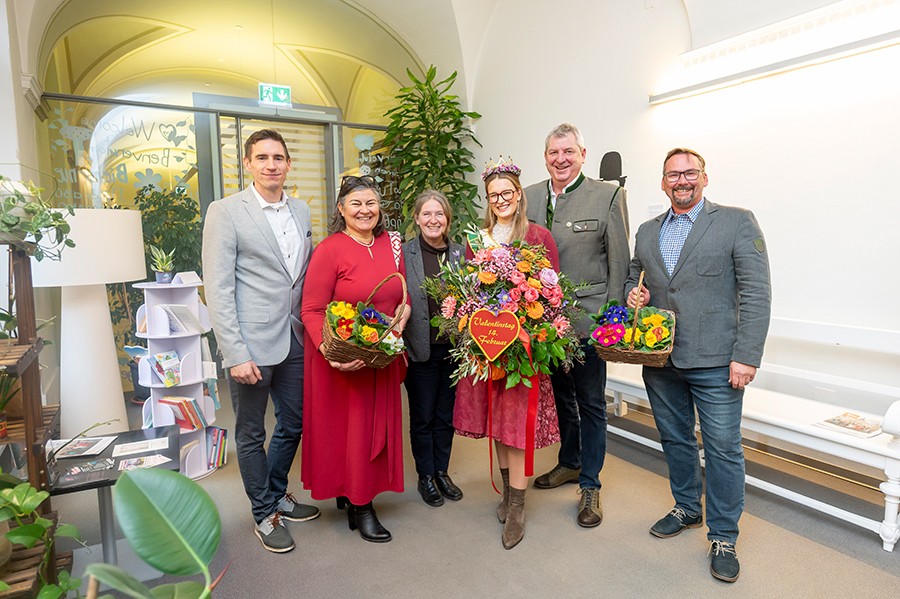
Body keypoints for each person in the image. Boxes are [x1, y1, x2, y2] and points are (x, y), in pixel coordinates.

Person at [625, 148, 771, 582]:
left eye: (690, 173)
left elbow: (756, 292)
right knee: (675, 440)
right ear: (663, 182)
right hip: (660, 357)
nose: (682, 180)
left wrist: (746, 355)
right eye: (673, 175)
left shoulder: (735, 221)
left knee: (723, 448)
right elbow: (637, 275)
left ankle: (723, 535)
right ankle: (687, 507)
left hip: (717, 361)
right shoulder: (648, 231)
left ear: (705, 178)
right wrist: (634, 292)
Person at [203, 128, 319, 553]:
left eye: (279, 157)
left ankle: (276, 495)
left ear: (288, 164)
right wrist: (234, 352)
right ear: (247, 163)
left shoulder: (302, 211)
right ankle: (263, 513)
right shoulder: (226, 211)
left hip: (294, 339)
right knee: (251, 433)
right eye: (263, 157)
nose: (272, 164)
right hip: (249, 344)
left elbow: (301, 278)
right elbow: (217, 288)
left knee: (295, 421)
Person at [523, 123, 630, 528]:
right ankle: (568, 462)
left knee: (590, 404)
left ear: (583, 154)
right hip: (543, 323)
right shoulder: (529, 196)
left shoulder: (608, 195)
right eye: (553, 153)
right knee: (560, 398)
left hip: (588, 320)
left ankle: (591, 484)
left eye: (568, 152)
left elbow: (619, 261)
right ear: (545, 156)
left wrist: (613, 322)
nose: (561, 159)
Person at [454, 159, 560, 549]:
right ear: (487, 199)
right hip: (484, 346)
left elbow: (553, 293)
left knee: (515, 426)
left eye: (507, 193)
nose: (501, 200)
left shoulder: (538, 236)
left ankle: (517, 505)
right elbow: (467, 291)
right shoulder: (477, 239)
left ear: (519, 194)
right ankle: (506, 494)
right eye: (493, 195)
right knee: (497, 422)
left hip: (522, 350)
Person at [300, 175, 411, 543]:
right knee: (350, 433)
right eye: (356, 204)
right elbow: (312, 309)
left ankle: (354, 497)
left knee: (370, 431)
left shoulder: (390, 244)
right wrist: (329, 353)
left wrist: (404, 314)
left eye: (371, 204)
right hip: (342, 360)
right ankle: (360, 503)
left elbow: (400, 296)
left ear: (379, 208)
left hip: (381, 357)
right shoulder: (329, 249)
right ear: (341, 209)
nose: (365, 211)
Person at [402, 190, 465, 507]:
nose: (433, 220)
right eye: (426, 214)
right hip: (419, 351)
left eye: (439, 214)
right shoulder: (405, 253)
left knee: (445, 416)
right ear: (416, 218)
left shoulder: (461, 253)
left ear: (447, 219)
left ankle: (442, 471)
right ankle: (425, 476)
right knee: (422, 417)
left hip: (453, 351)